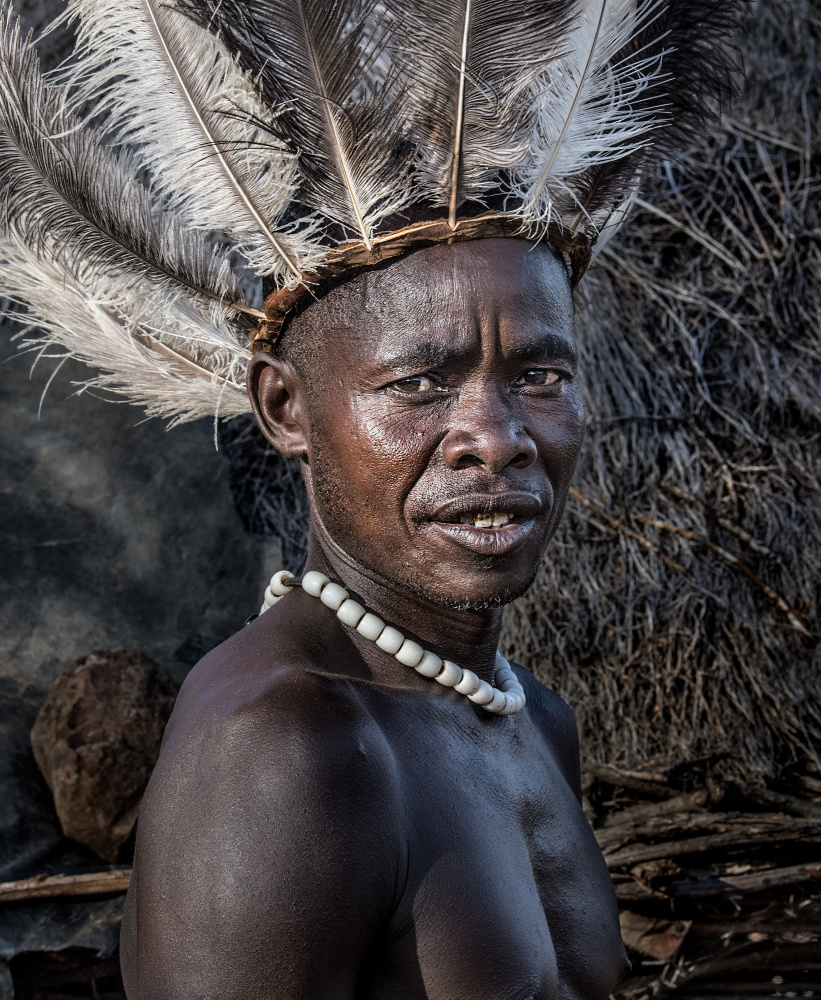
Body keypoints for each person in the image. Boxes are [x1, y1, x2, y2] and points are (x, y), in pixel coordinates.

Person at [0, 0, 739, 996]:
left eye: (539, 376)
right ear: (284, 407)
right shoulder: (284, 755)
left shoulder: (531, 719)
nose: (496, 435)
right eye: (417, 384)